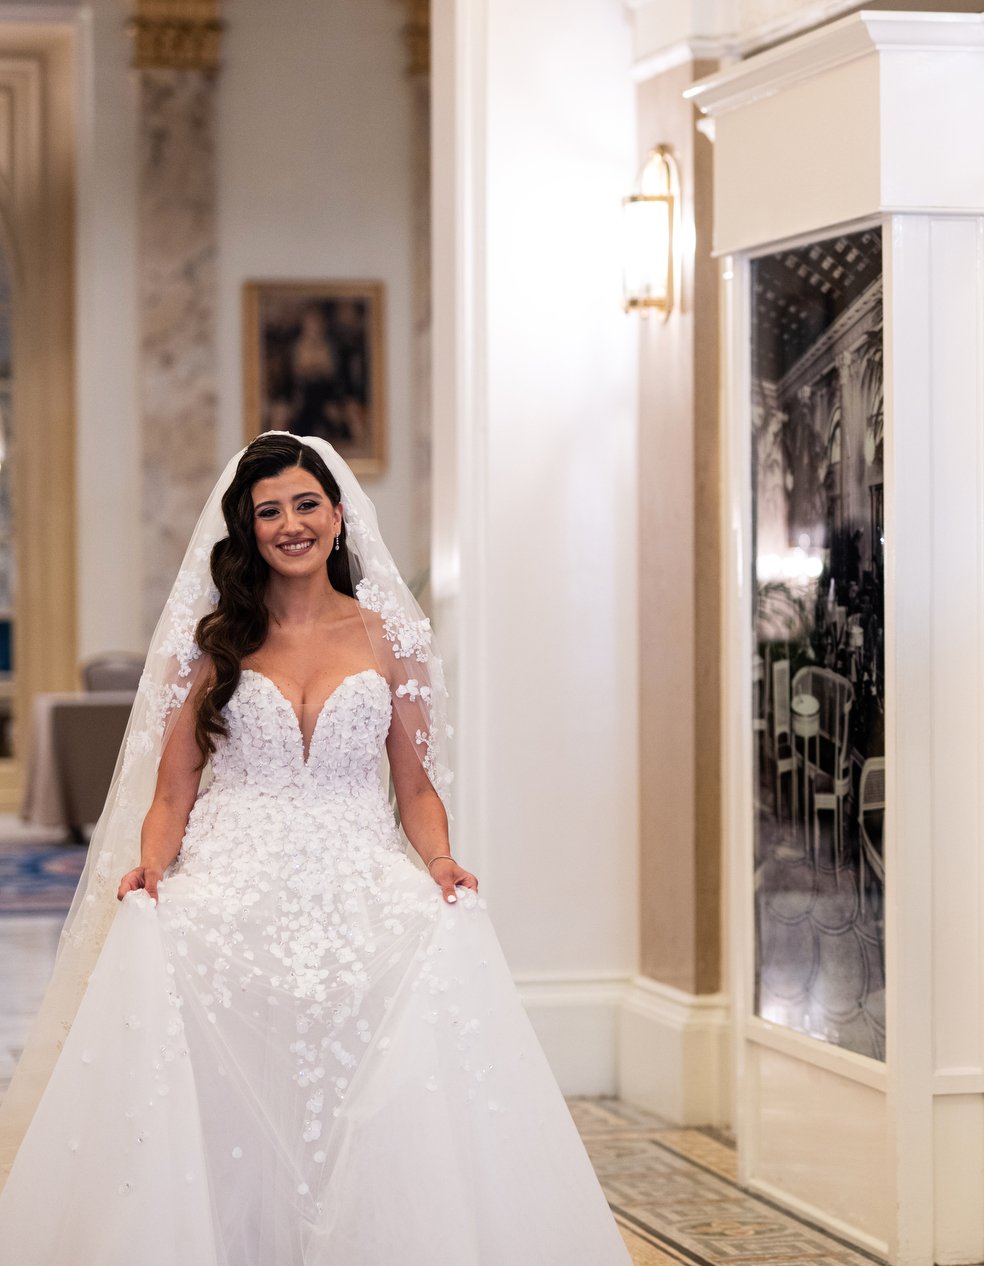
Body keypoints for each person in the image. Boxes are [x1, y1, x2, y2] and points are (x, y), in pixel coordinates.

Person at [0, 433, 628, 1263]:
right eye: (269, 512)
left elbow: (414, 787)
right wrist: (152, 864)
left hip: (356, 871)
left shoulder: (390, 639)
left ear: (339, 514)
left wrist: (439, 862)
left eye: (305, 505)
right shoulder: (215, 640)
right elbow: (172, 792)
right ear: (247, 528)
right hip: (230, 873)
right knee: (195, 1020)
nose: (290, 524)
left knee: (395, 1016)